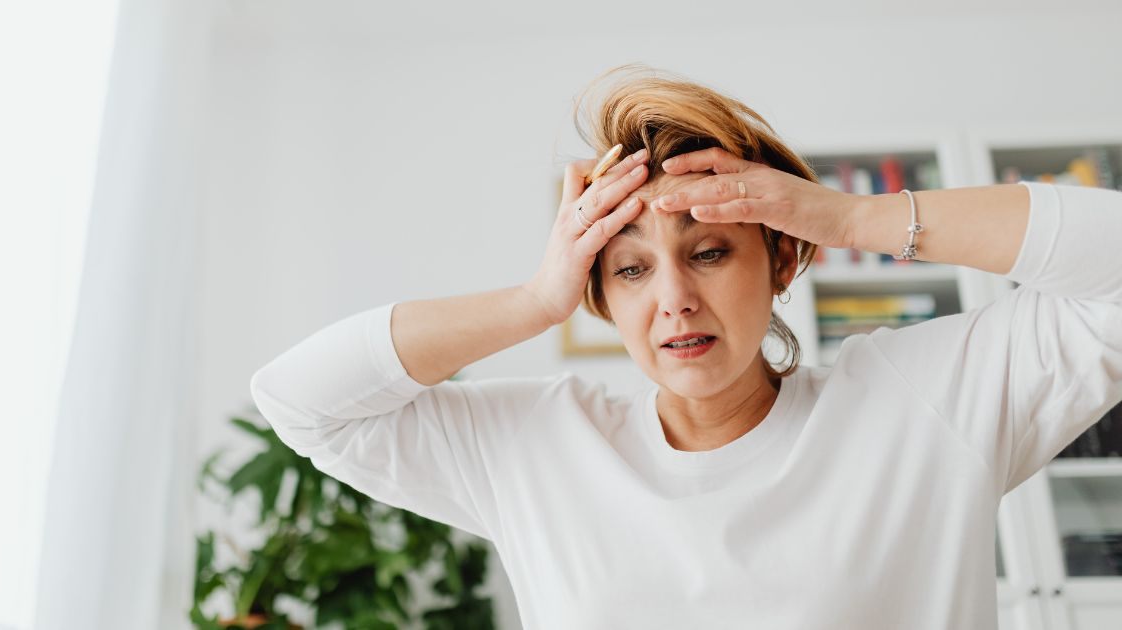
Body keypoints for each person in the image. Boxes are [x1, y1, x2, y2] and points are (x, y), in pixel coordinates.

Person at [248, 64, 1122, 629]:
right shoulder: (535, 447)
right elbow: (301, 402)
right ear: (599, 295)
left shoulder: (922, 403)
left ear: (781, 260)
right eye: (629, 270)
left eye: (708, 252)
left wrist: (851, 216)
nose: (674, 300)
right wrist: (535, 300)